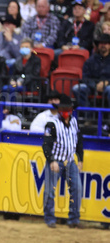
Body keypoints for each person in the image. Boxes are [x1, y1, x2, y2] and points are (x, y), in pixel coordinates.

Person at [42, 94, 84, 229]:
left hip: (70, 160)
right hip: (56, 160)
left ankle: (74, 219)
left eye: (68, 109)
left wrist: (80, 159)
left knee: (77, 188)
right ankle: (49, 218)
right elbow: (46, 145)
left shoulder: (74, 122)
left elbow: (79, 142)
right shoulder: (52, 124)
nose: (66, 112)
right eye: (63, 109)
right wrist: (51, 160)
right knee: (50, 190)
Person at [72, 34, 110, 107]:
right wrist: (95, 86)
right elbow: (85, 77)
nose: (103, 45)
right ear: (98, 45)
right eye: (101, 43)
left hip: (108, 86)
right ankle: (88, 115)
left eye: (106, 43)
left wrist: (106, 83)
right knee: (77, 88)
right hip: (92, 87)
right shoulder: (90, 60)